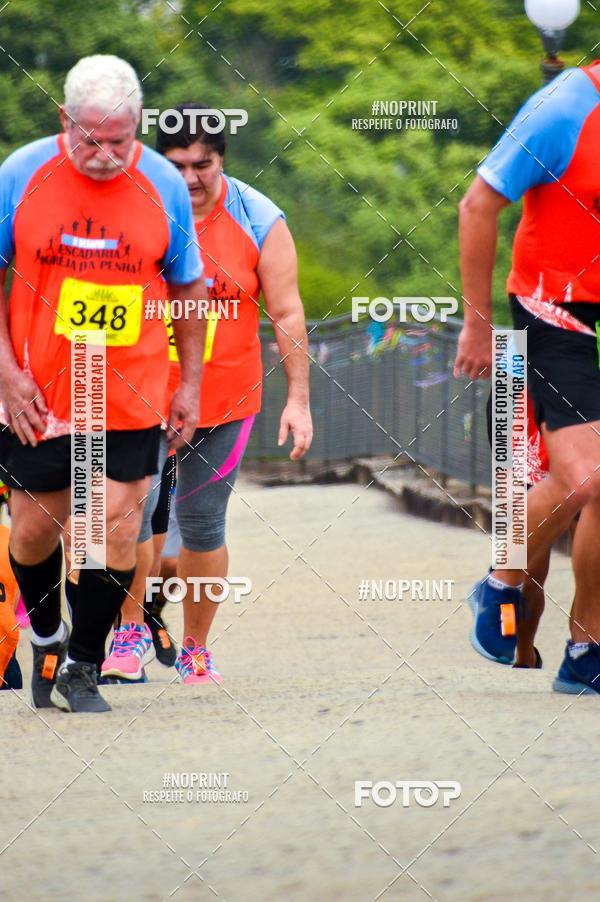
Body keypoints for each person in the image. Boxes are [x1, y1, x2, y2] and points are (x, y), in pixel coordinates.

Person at [0, 56, 205, 712]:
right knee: (35, 530)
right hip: (42, 388)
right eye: (90, 139)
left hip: (129, 387)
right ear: (65, 119)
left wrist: (190, 385)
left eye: (119, 140)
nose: (105, 154)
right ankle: (48, 634)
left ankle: (83, 667)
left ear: (138, 126)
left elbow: (187, 287)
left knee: (116, 525)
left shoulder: (164, 184)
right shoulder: (21, 172)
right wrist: (4, 373)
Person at [104, 102, 313, 684]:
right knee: (129, 517)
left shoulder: (258, 216)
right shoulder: (130, 208)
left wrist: (298, 399)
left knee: (203, 525)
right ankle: (127, 633)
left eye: (205, 163)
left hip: (226, 400)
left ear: (223, 157)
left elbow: (288, 312)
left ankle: (195, 647)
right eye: (178, 164)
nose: (192, 178)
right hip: (140, 396)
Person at [454, 59, 600, 693]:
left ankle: (586, 650)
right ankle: (503, 583)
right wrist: (478, 324)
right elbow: (477, 206)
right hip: (550, 311)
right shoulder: (566, 105)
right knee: (579, 480)